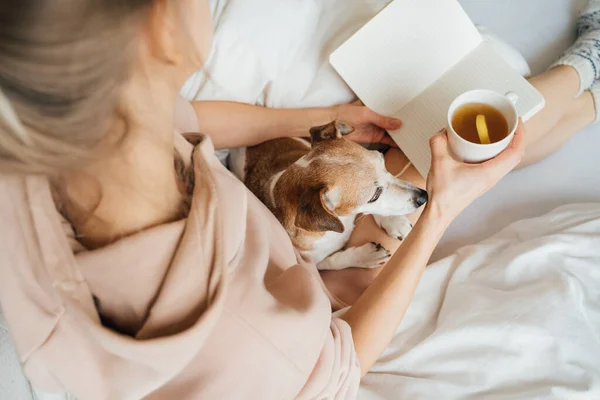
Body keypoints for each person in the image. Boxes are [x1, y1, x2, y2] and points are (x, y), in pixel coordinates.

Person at [0, 0, 597, 398]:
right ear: (160, 26)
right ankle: (585, 68)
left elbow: (178, 116)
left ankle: (588, 86)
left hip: (267, 271)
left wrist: (323, 119)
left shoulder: (48, 130)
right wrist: (439, 209)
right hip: (307, 332)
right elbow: (341, 368)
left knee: (446, 138)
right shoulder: (240, 335)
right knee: (459, 143)